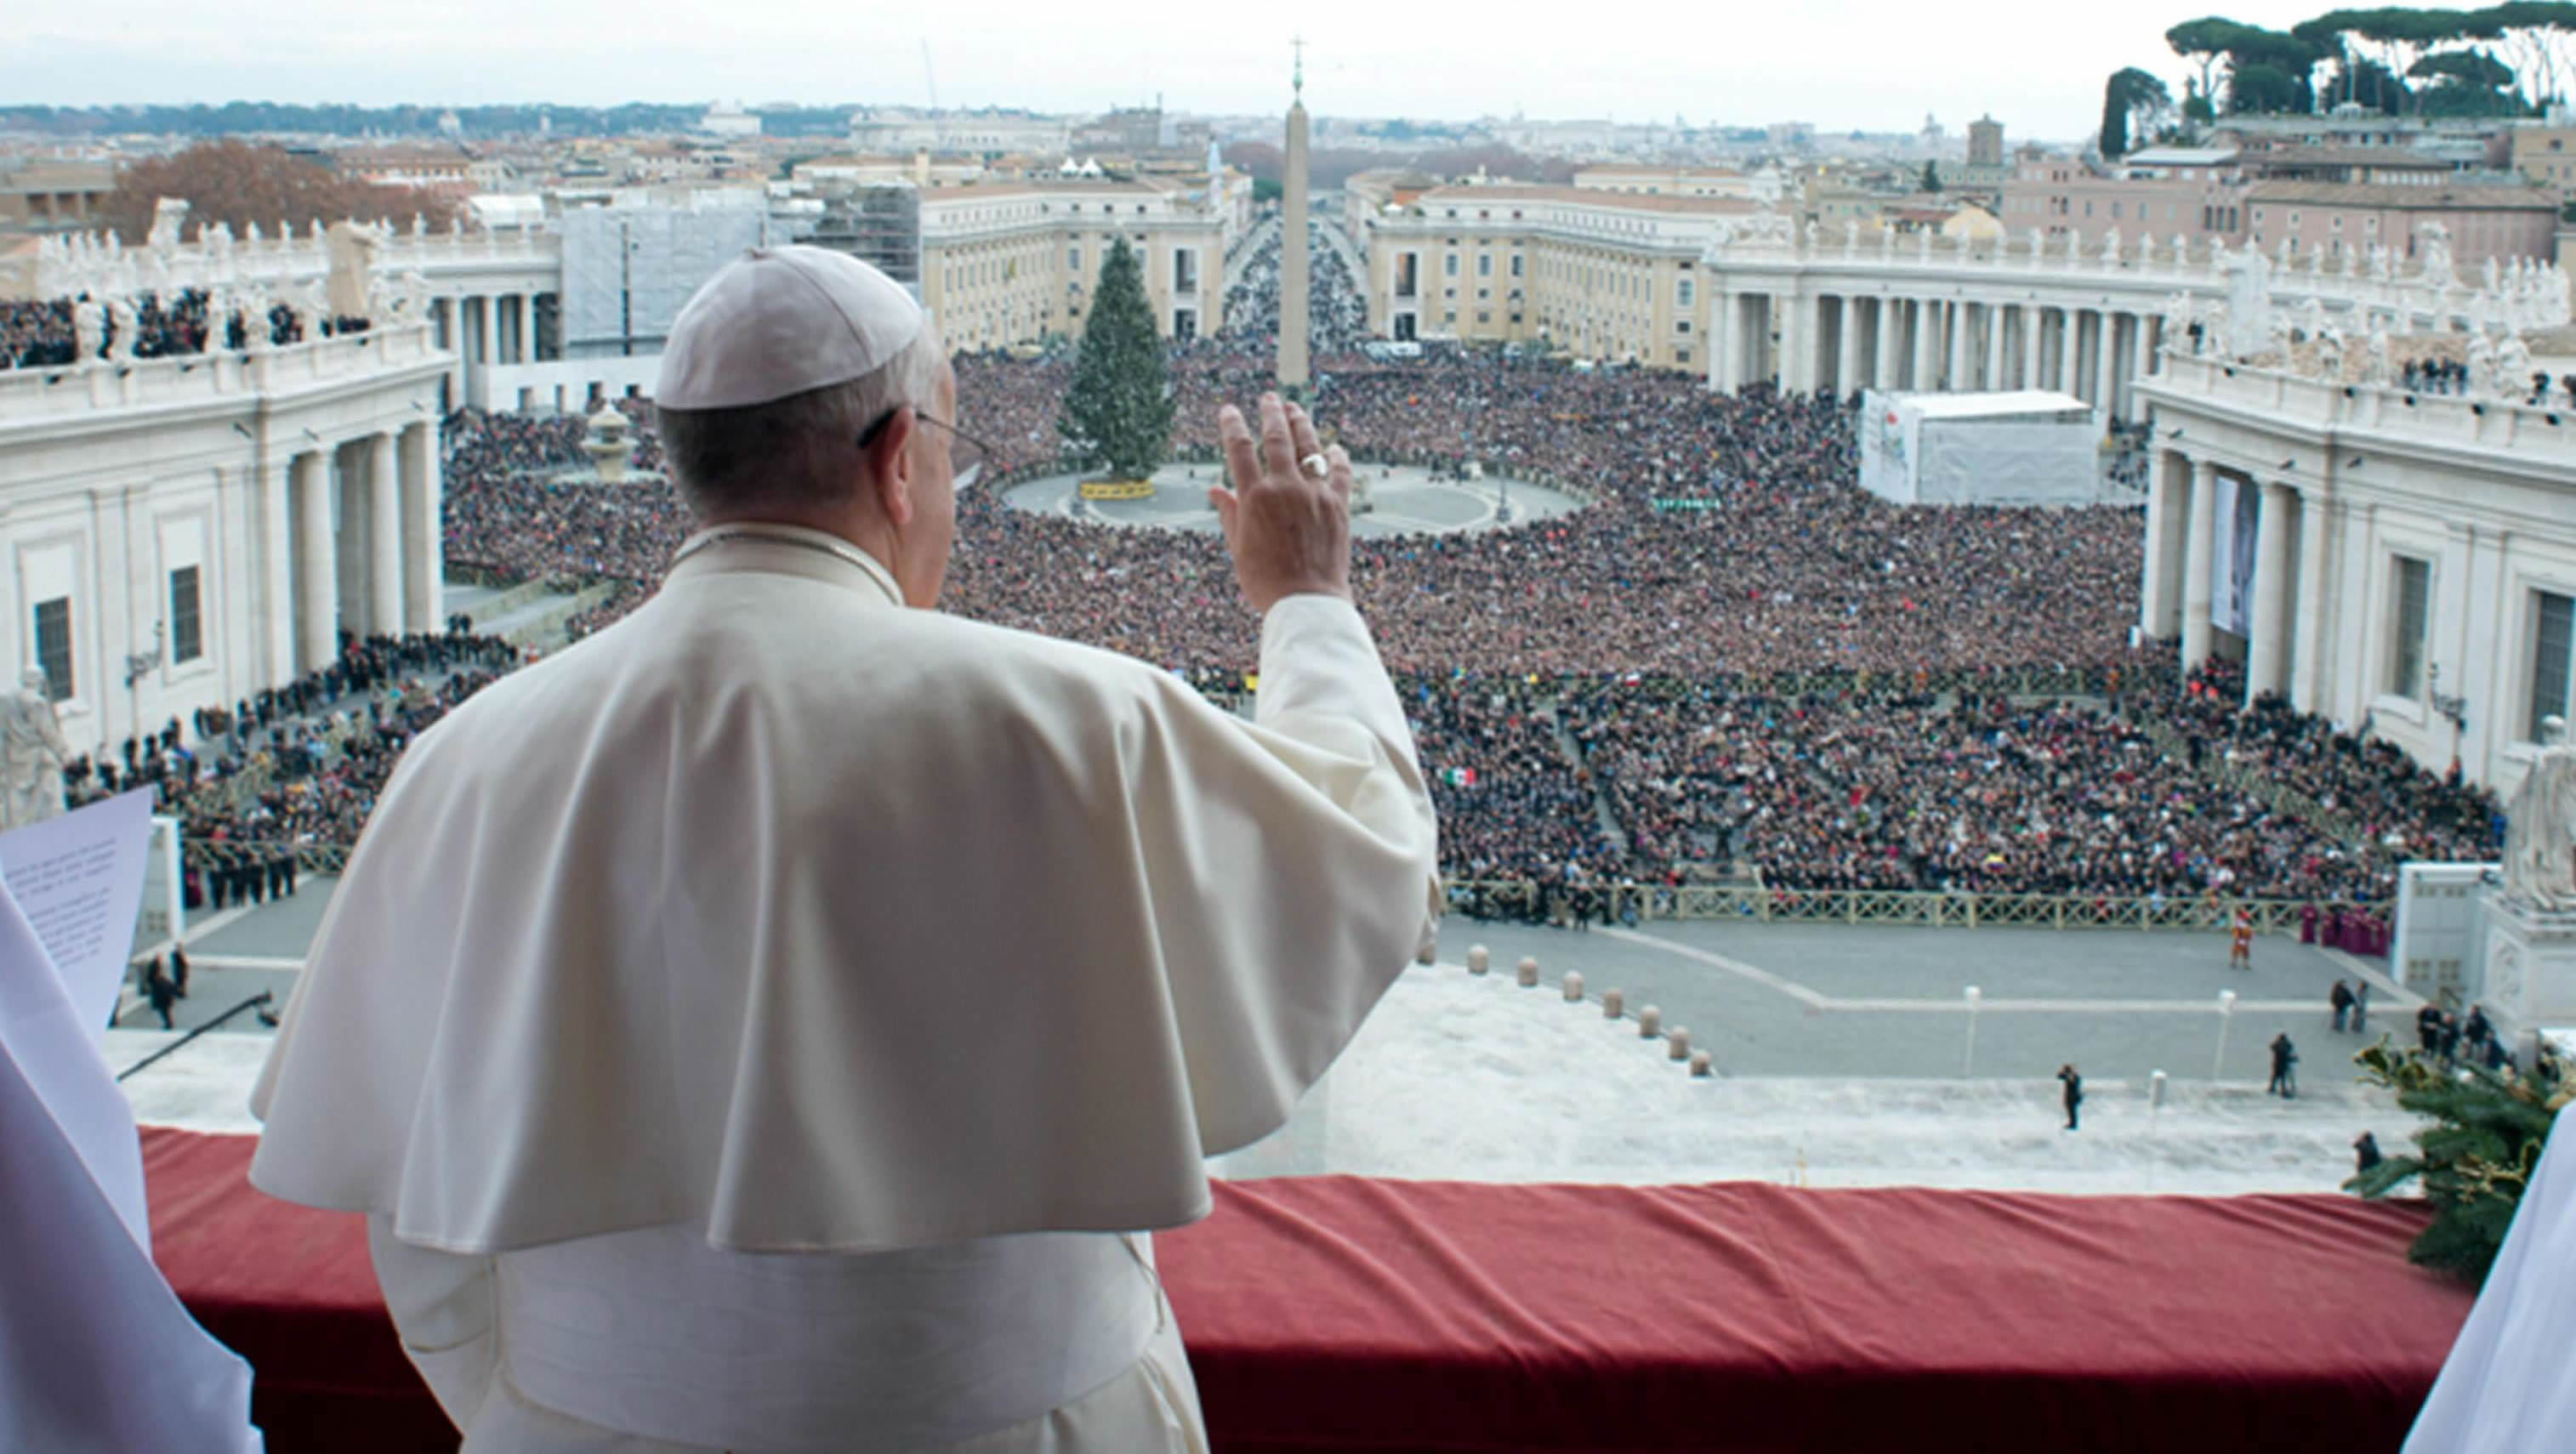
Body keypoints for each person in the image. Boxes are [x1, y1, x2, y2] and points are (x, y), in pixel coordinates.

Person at [247, 246, 1441, 1454]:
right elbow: (1373, 847)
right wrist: (1308, 602)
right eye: (949, 450)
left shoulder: (463, 761)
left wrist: (582, 1404)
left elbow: (422, 1239)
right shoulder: (1079, 718)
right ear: (895, 463)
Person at [2268, 1032, 2300, 1098]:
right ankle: (2282, 1090)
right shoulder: (2286, 1046)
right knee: (2282, 1079)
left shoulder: (2278, 1046)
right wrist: (2294, 1059)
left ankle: (2273, 1089)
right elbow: (2286, 1057)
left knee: (2275, 1078)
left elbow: (2272, 1047)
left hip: (2277, 1065)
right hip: (2282, 1065)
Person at [2057, 1063, 2083, 1132]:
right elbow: (2059, 1076)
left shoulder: (2074, 1076)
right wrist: (2064, 1071)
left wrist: (2069, 1074)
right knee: (2070, 1110)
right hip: (2072, 1096)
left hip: (2073, 1096)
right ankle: (2072, 1123)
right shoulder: (2070, 1076)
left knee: (2072, 1110)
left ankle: (2073, 1124)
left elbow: (2073, 1082)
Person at [2229, 905, 2255, 970]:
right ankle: (2234, 961)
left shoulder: (2245, 918)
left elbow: (2249, 928)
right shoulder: (2237, 919)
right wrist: (2236, 935)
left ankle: (2245, 963)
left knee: (2245, 950)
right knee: (2236, 949)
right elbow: (2236, 929)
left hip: (2244, 937)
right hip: (2239, 935)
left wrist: (2251, 935)